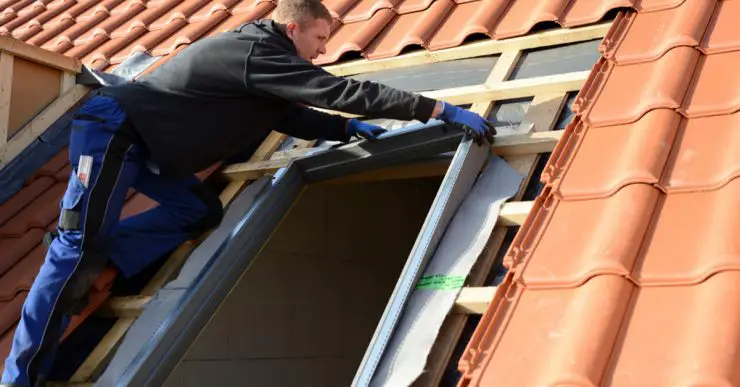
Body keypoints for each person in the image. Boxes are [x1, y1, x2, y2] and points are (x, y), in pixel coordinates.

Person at [0, 0, 496, 385]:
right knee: (77, 248)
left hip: (150, 147)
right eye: (320, 39)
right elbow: (335, 90)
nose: (323, 51)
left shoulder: (264, 66)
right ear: (292, 28)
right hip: (114, 131)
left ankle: (105, 241)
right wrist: (438, 111)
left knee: (198, 210)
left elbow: (290, 115)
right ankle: (18, 376)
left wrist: (349, 132)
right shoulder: (259, 50)